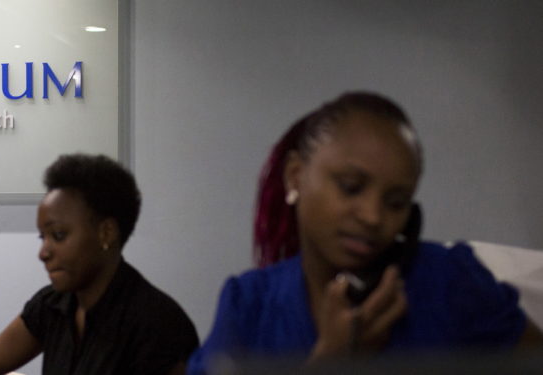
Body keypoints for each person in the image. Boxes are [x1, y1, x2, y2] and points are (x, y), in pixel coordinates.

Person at [187, 92, 543, 373]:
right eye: (351, 186)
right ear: (295, 176)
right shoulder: (248, 306)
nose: (373, 217)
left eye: (396, 202)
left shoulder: (452, 281)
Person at [0, 154, 199, 375]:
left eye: (58, 235)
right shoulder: (51, 305)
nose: (43, 253)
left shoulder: (158, 327)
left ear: (106, 233)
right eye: (43, 237)